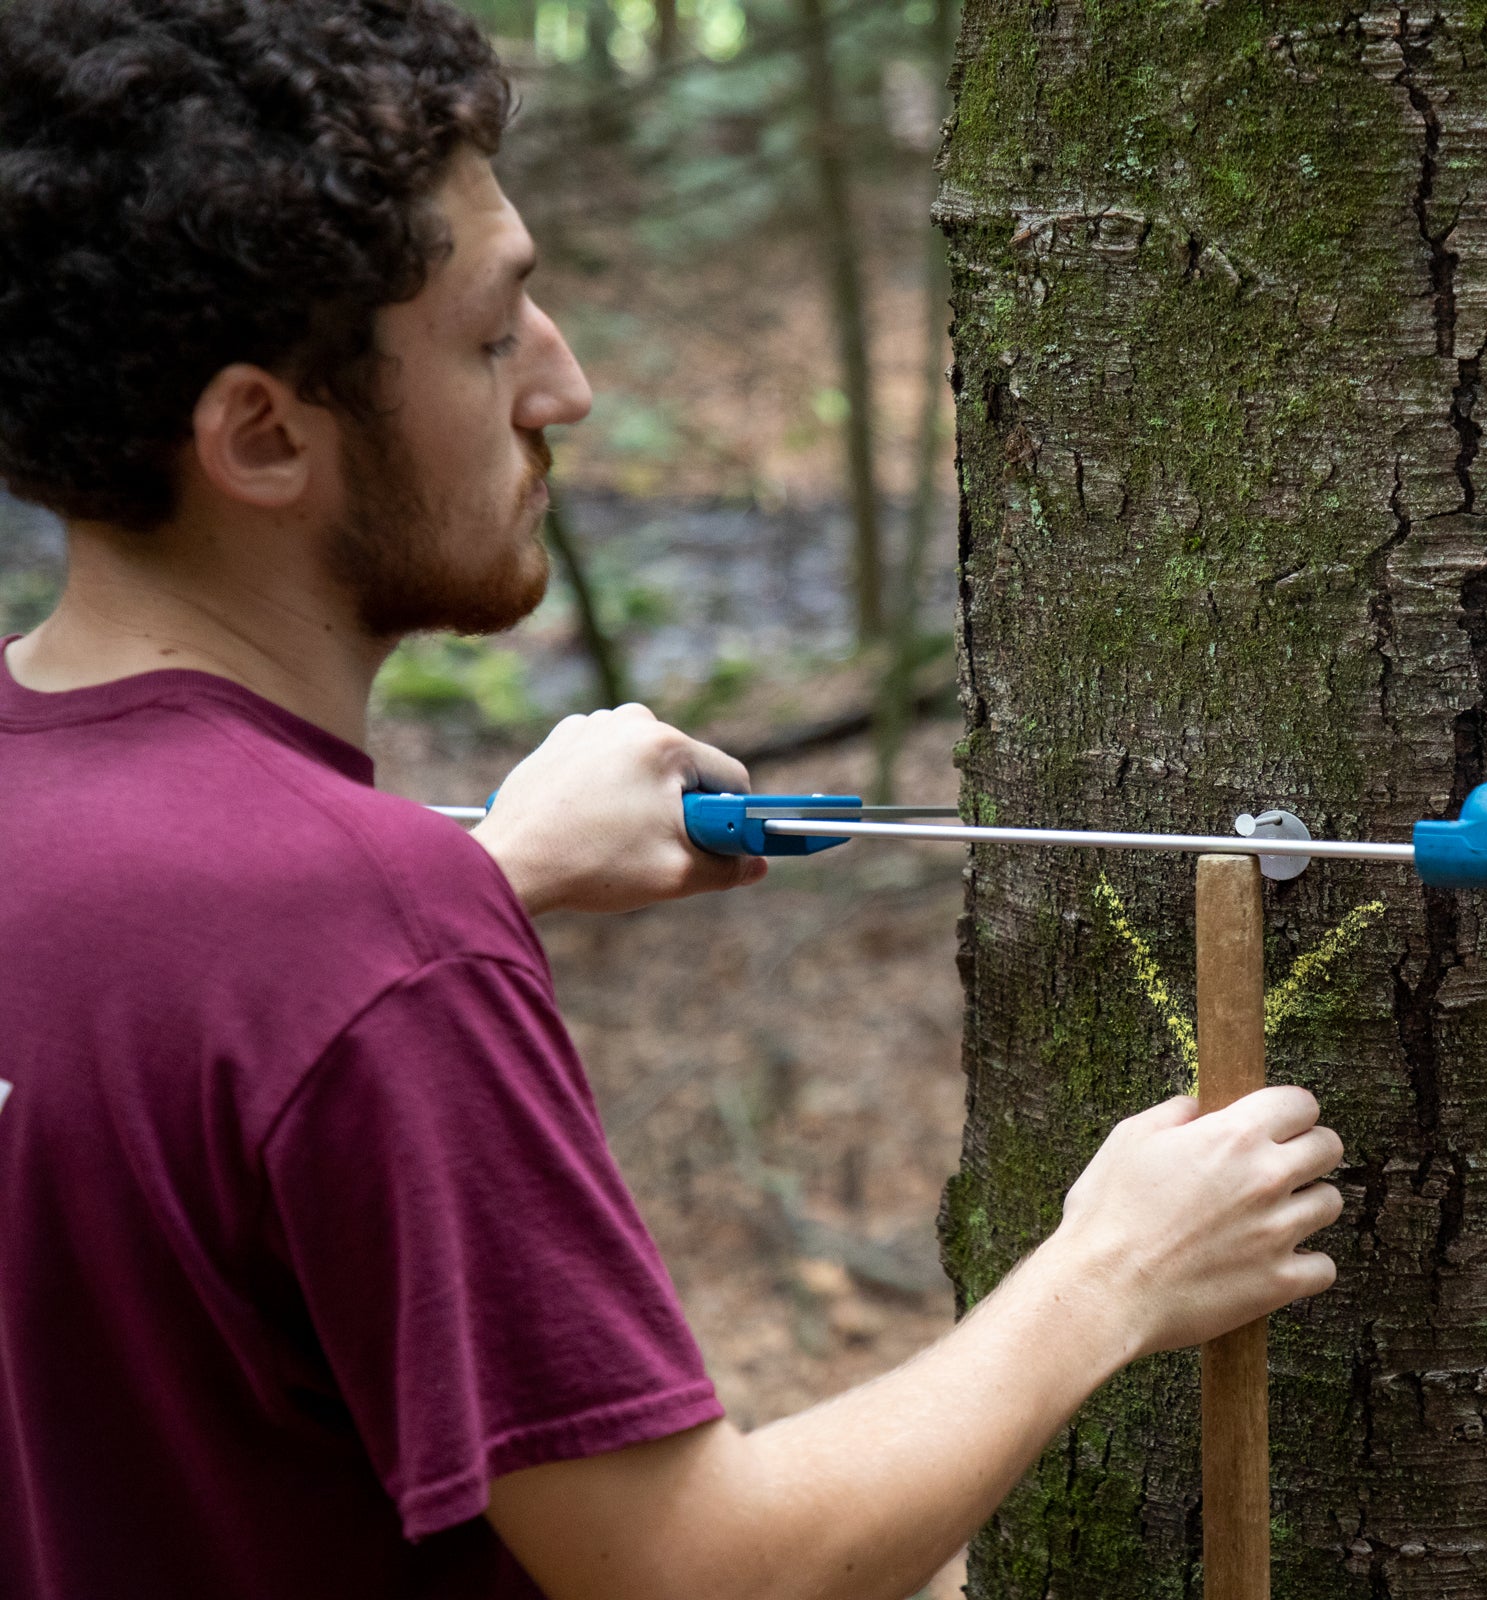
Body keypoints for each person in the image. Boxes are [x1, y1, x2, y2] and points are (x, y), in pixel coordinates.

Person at [0, 3, 1345, 1596]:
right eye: (495, 334)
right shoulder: (360, 941)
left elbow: (163, 1038)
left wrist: (493, 873)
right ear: (264, 433)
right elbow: (691, 1572)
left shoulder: (165, 870)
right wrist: (1111, 1276)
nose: (561, 386)